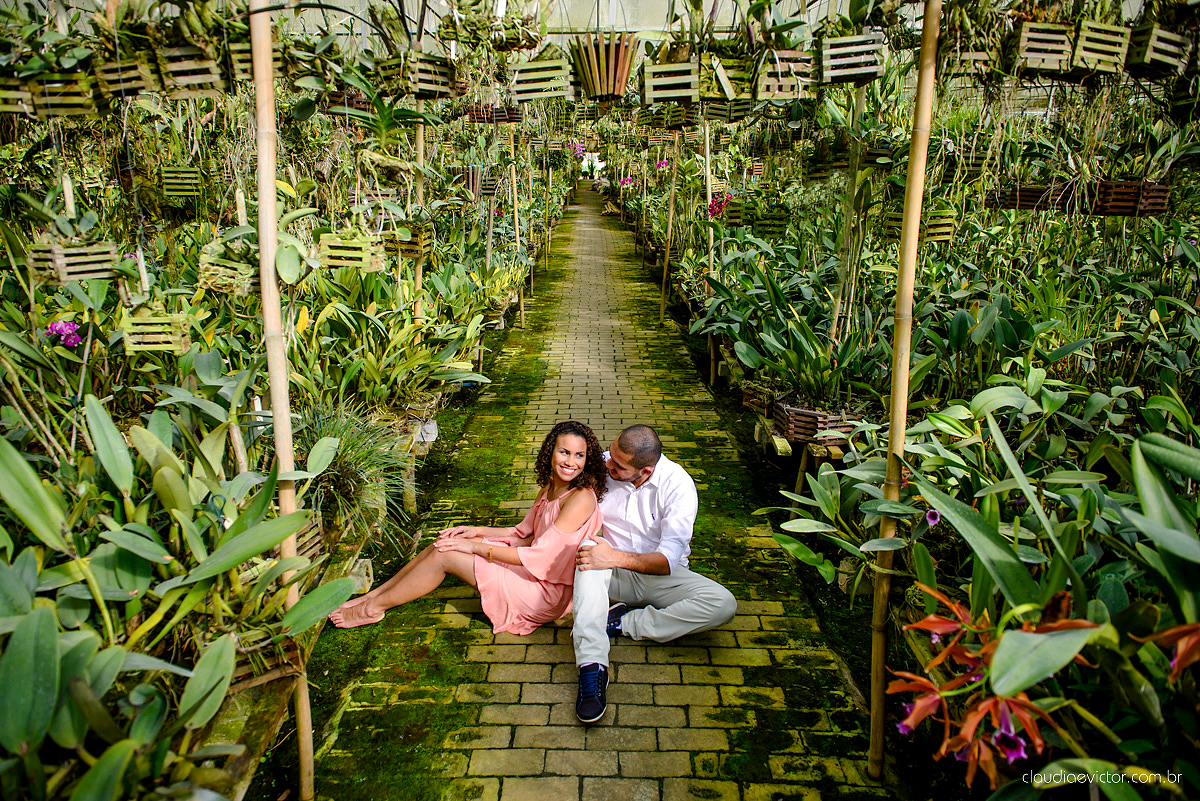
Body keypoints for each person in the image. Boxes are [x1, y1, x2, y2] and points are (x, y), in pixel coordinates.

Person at [329, 420, 607, 634]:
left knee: (446, 555)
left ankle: (374, 608)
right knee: (445, 542)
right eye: (564, 452)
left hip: (544, 593)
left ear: (587, 459)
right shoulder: (550, 486)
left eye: (579, 455)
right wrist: (477, 531)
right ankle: (374, 596)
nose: (571, 462)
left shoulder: (580, 497)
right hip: (532, 570)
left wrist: (474, 547)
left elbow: (540, 555)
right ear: (551, 452)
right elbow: (522, 535)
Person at [572, 424, 737, 723]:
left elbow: (665, 561)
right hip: (613, 573)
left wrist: (616, 556)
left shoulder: (678, 486)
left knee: (723, 604)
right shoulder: (602, 465)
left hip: (662, 577)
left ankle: (623, 623)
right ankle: (591, 666)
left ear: (645, 471)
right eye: (611, 454)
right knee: (587, 550)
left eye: (618, 465)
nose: (608, 463)